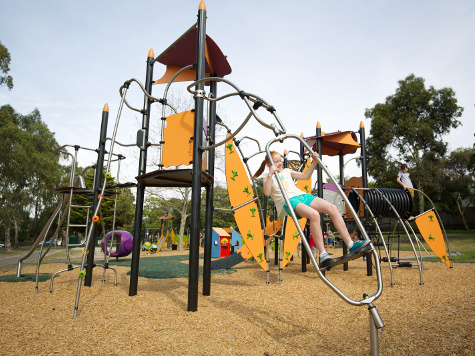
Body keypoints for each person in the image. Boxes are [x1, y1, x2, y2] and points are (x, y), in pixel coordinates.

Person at [252, 151, 369, 266]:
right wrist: (270, 174)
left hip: (301, 196)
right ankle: (323, 254)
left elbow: (305, 176)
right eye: (277, 162)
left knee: (332, 208)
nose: (280, 163)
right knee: (314, 215)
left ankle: (350, 244)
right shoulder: (266, 176)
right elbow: (267, 193)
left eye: (280, 160)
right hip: (288, 201)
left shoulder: (287, 171)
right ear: (269, 165)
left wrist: (313, 163)